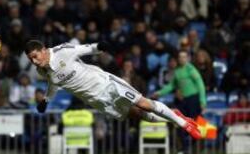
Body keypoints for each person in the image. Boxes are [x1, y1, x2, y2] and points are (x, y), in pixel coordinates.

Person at [24, 40, 201, 139]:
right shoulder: (42, 70)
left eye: (35, 56)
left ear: (44, 50)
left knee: (144, 104)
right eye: (30, 59)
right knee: (138, 115)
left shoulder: (63, 51)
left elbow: (90, 48)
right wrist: (46, 100)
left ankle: (184, 124)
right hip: (97, 100)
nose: (33, 61)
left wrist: (101, 46)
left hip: (107, 85)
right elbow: (54, 83)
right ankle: (174, 116)